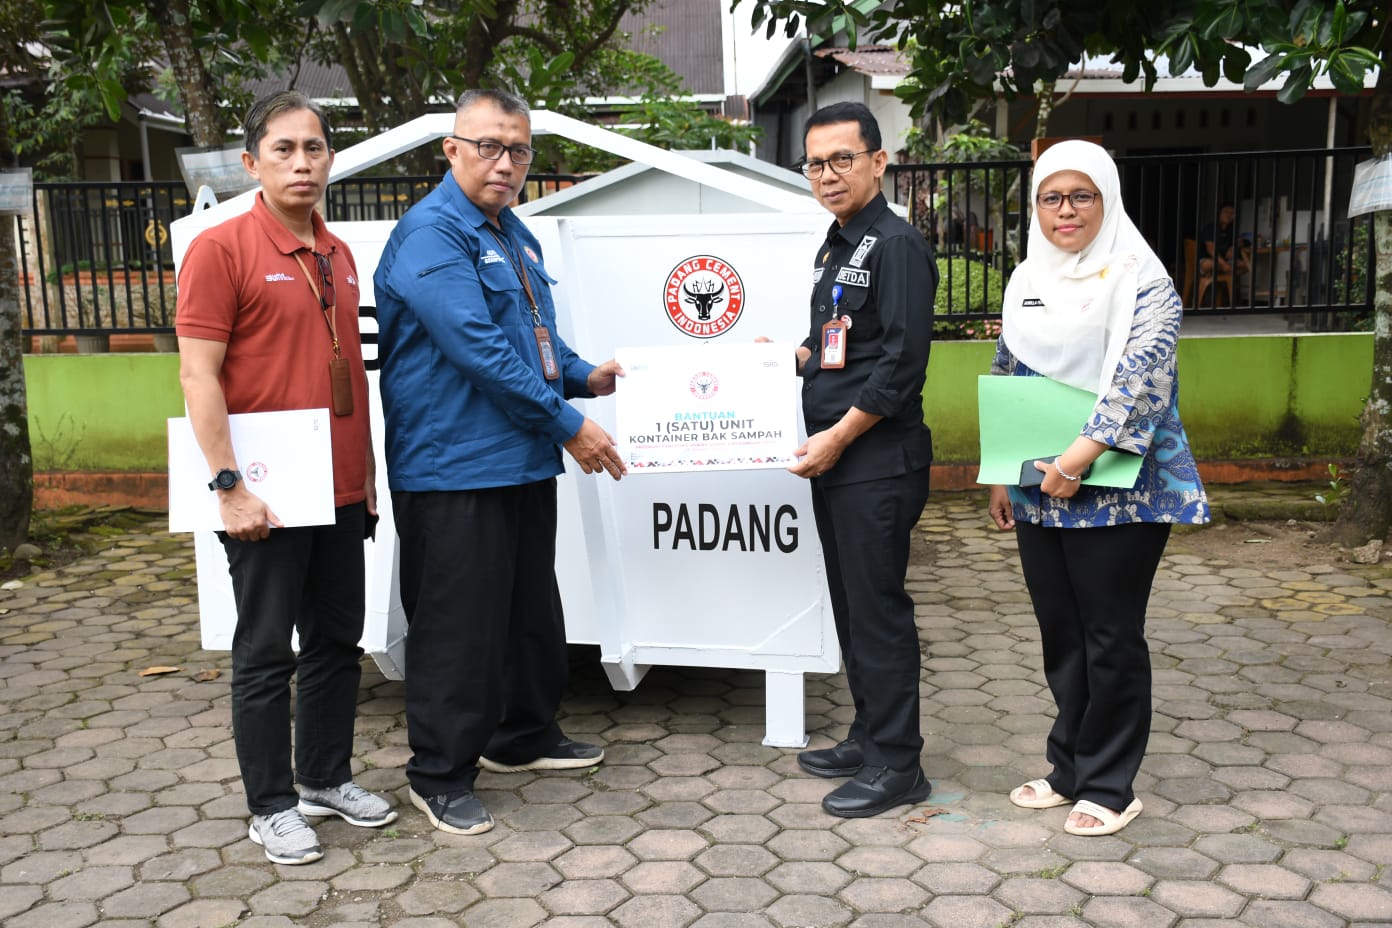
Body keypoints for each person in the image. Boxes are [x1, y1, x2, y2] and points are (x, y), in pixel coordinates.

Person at [374, 88, 626, 837]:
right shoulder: (430, 236)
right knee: (459, 626)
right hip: (453, 466)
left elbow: (534, 339)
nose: (505, 162)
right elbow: (478, 351)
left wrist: (587, 377)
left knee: (527, 612)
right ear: (451, 150)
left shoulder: (515, 235)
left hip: (518, 460)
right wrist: (569, 423)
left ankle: (522, 736)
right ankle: (439, 771)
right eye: (488, 145)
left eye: (518, 149)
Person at [176, 91, 396, 865]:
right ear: (251, 163)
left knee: (336, 640)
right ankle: (269, 807)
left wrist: (365, 473)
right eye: (283, 150)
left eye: (314, 148)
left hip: (337, 489)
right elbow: (199, 376)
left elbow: (350, 377)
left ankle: (324, 779)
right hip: (263, 493)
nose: (301, 163)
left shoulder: (338, 255)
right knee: (265, 651)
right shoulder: (222, 249)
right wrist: (228, 484)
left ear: (330, 157)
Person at [986, 139, 1210, 837]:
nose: (1066, 210)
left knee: (1110, 635)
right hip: (1038, 484)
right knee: (1063, 634)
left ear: (1107, 200)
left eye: (1082, 195)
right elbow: (1010, 368)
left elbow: (1140, 382)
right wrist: (1000, 471)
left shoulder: (1143, 279)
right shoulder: (1027, 276)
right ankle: (1070, 768)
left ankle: (1112, 785)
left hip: (1122, 485)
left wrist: (1076, 459)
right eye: (1052, 197)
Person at [789, 101, 937, 818]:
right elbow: (838, 341)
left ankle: (899, 764)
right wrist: (782, 362)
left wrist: (838, 437)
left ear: (879, 162)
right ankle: (868, 732)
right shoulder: (839, 243)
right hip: (839, 461)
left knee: (877, 611)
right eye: (816, 162)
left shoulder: (897, 245)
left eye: (842, 159)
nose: (827, 174)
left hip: (875, 459)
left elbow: (902, 367)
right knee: (851, 606)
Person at [1199, 203, 1251, 280]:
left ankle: (1222, 276)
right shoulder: (1210, 228)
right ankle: (1224, 273)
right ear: (1219, 213)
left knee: (1248, 265)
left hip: (1225, 262)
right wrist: (1224, 264)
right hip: (1207, 260)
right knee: (1209, 264)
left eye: (1232, 213)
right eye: (1226, 212)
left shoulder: (1232, 230)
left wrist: (1234, 247)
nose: (1229, 215)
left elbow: (1239, 242)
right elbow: (1210, 249)